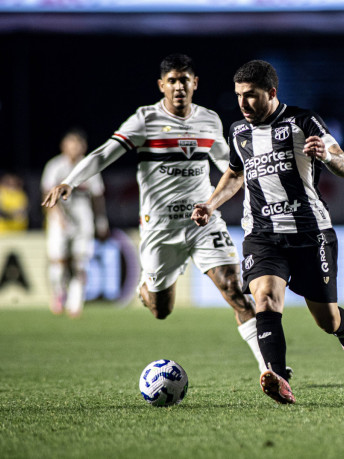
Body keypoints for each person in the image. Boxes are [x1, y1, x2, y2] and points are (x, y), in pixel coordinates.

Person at [41, 53, 267, 371]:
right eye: (172, 80)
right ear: (161, 85)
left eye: (184, 80)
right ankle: (146, 288)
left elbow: (230, 166)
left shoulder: (209, 120)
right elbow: (105, 152)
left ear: (195, 84)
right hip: (160, 228)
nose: (178, 87)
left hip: (203, 221)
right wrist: (70, 180)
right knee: (162, 310)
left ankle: (270, 369)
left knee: (235, 289)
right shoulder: (145, 120)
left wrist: (260, 183)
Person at [191, 60, 344, 404]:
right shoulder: (238, 132)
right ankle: (277, 375)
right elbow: (234, 174)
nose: (243, 104)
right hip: (262, 235)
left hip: (309, 233)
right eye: (239, 96)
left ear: (272, 93)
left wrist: (327, 156)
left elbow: (343, 164)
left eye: (251, 96)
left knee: (326, 318)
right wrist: (211, 204)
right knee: (265, 299)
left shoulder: (302, 121)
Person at [41, 128, 109, 318]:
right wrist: (58, 218)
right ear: (64, 146)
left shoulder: (89, 166)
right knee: (58, 263)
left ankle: (75, 303)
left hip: (83, 219)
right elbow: (47, 196)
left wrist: (101, 222)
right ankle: (58, 293)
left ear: (83, 147)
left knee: (80, 262)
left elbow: (97, 197)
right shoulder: (54, 166)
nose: (74, 148)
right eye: (71, 144)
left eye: (77, 144)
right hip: (59, 219)